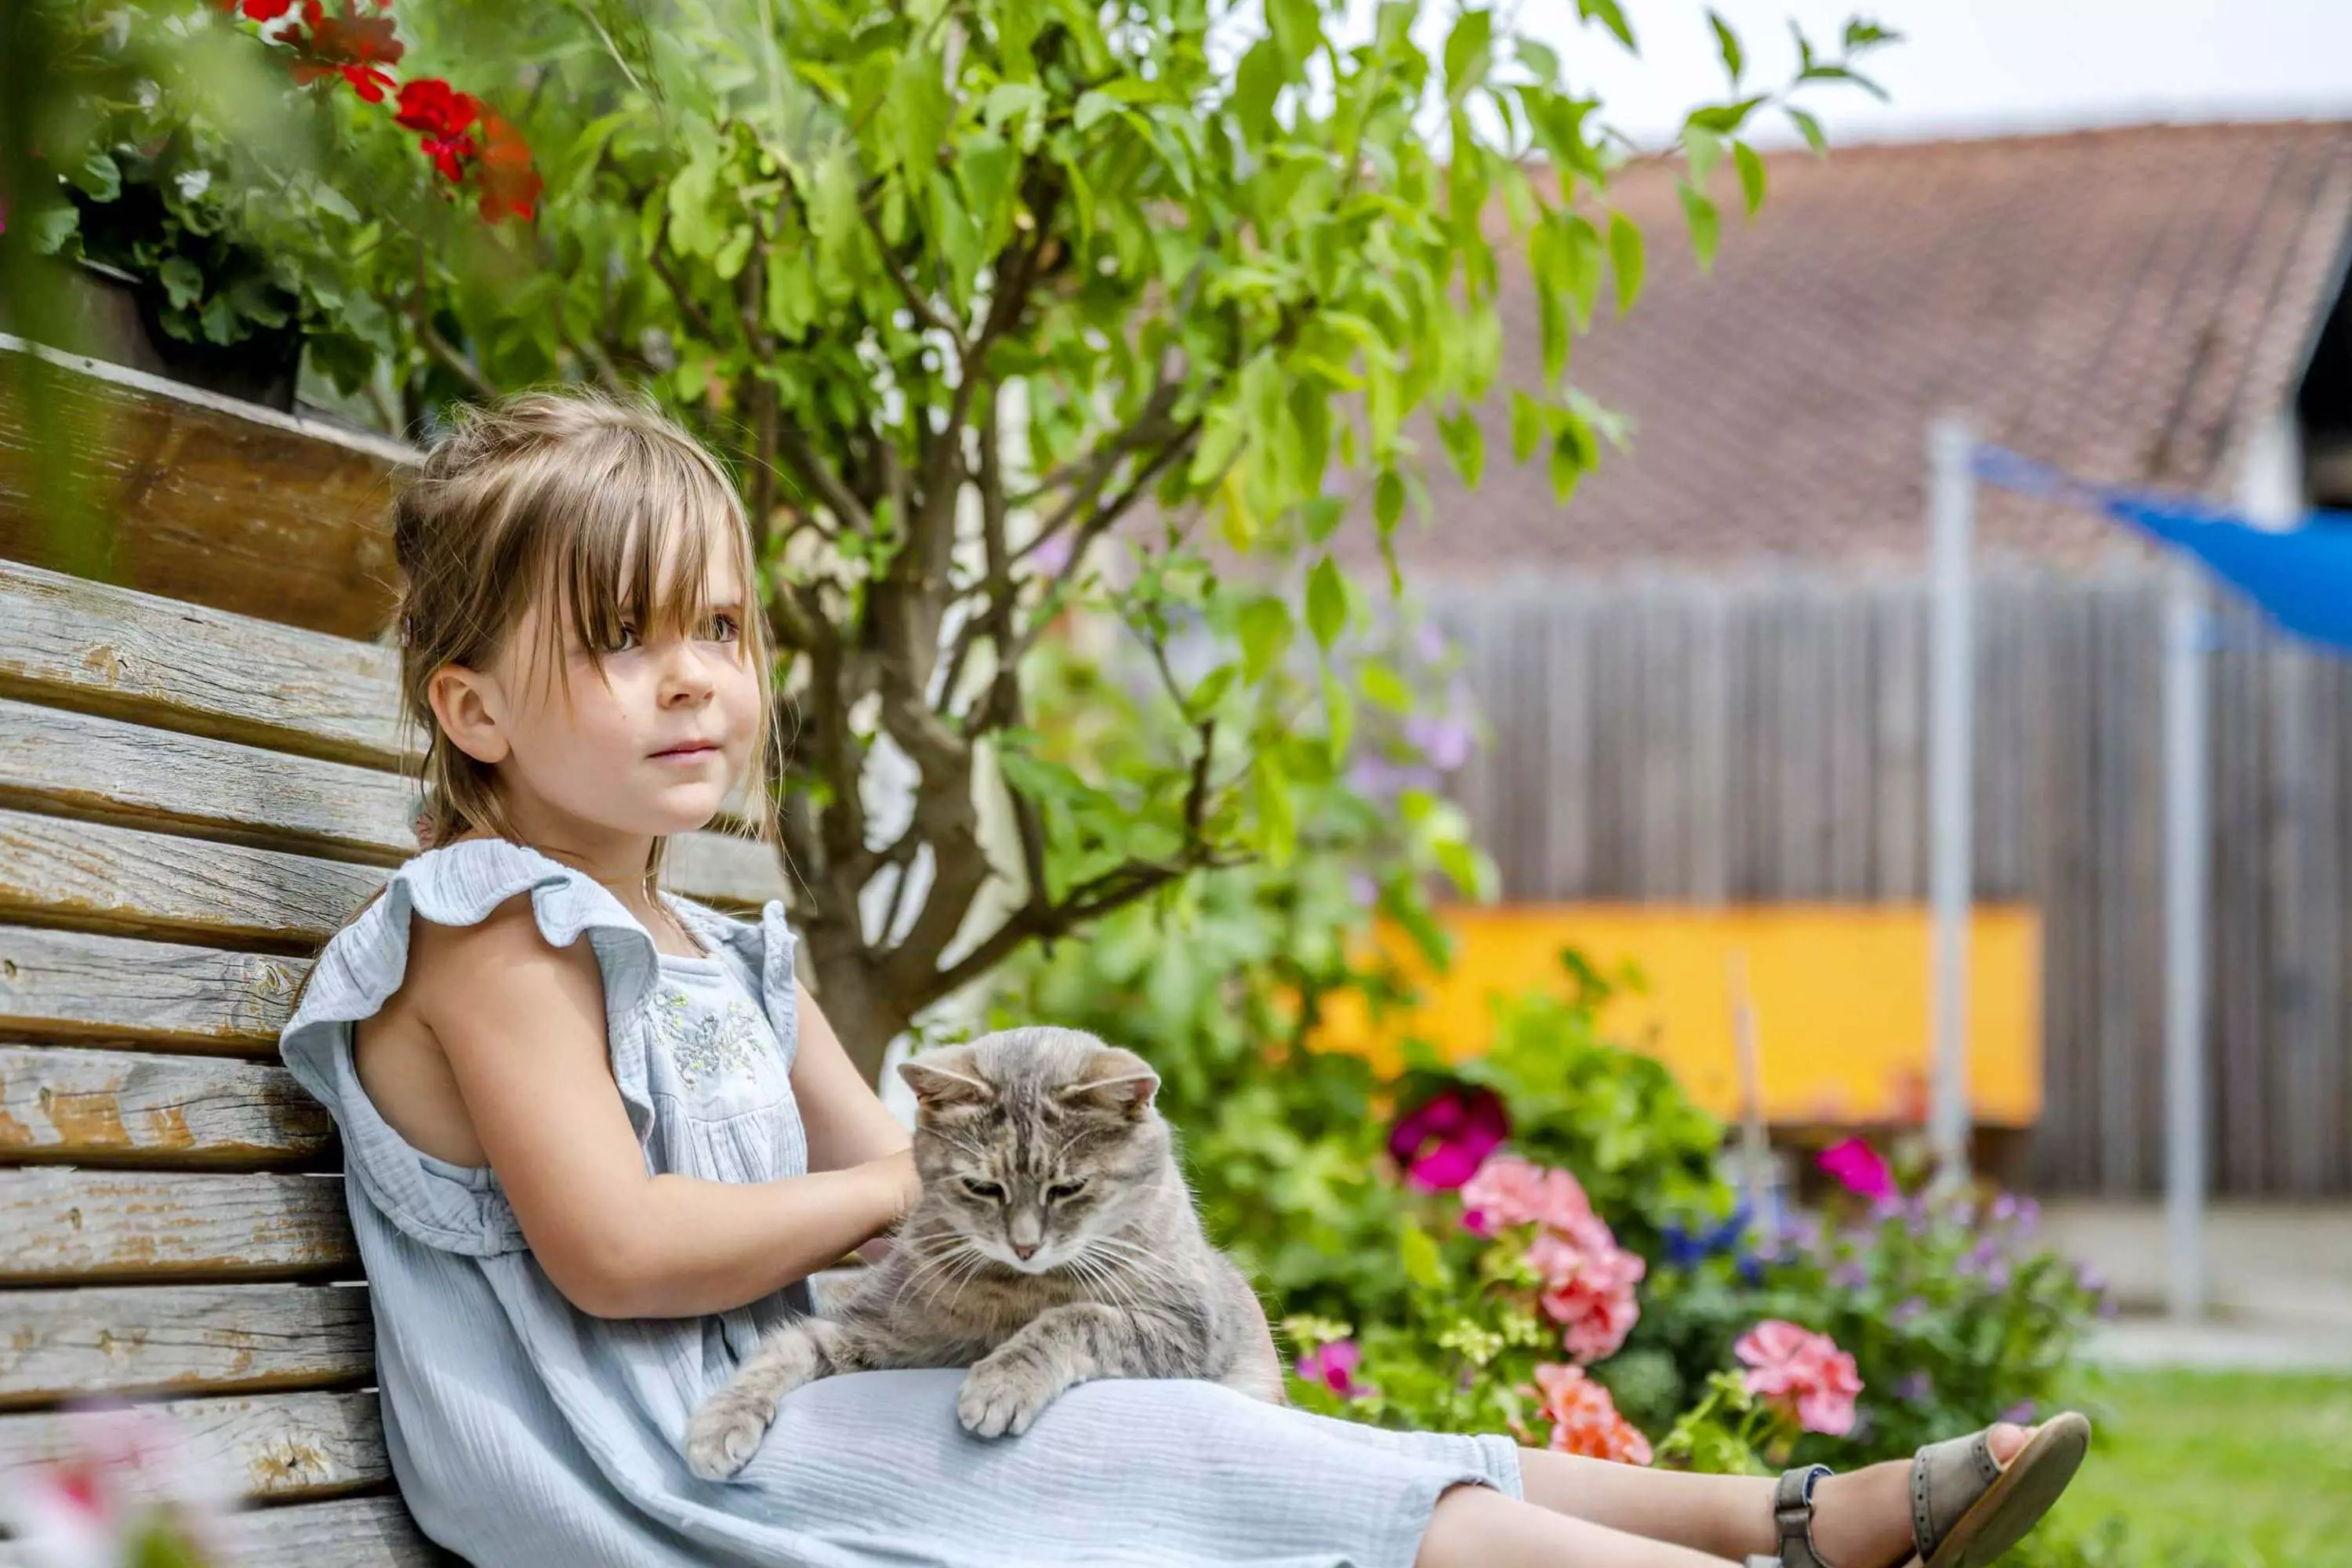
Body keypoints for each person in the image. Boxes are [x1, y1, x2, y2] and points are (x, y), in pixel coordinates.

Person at [281, 388, 2090, 1568]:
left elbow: (903, 1221)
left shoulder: (727, 943)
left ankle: (1770, 1517)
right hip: (651, 1475)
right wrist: (906, 1187)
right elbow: (616, 1249)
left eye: (720, 631)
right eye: (621, 640)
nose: (692, 679)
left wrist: (1064, 1220)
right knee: (1213, 1468)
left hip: (791, 1411)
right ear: (476, 710)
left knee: (1195, 1414)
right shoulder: (487, 928)